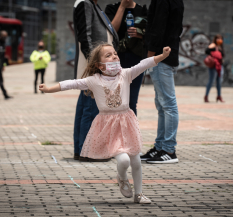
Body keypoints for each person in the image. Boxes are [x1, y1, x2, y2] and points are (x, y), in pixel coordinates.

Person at [39, 43, 172, 204]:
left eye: (115, 53)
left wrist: (162, 56)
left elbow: (144, 64)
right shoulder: (93, 80)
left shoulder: (125, 74)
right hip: (108, 126)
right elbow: (71, 83)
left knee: (135, 160)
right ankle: (122, 178)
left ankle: (139, 194)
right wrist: (48, 88)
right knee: (123, 160)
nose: (114, 56)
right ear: (99, 65)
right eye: (108, 55)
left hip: (127, 121)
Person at [73, 0, 119, 161]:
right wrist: (96, 67)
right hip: (93, 67)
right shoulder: (85, 3)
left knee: (85, 107)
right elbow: (85, 37)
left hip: (93, 67)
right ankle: (89, 151)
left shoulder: (92, 4)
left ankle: (81, 149)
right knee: (91, 109)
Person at [140, 0, 184, 164]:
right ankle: (160, 147)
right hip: (168, 56)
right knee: (162, 104)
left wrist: (150, 57)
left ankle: (168, 150)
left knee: (167, 103)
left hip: (160, 57)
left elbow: (157, 27)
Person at [105, 0, 148, 115]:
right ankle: (114, 130)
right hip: (115, 59)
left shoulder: (142, 10)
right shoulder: (111, 8)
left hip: (136, 59)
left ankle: (131, 131)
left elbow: (151, 34)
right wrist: (122, 7)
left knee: (132, 100)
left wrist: (139, 34)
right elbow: (111, 30)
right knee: (113, 99)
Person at [204, 34, 225, 103]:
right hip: (213, 66)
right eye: (218, 38)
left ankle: (219, 96)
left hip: (220, 66)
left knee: (219, 82)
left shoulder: (220, 47)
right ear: (215, 39)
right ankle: (206, 96)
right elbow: (206, 51)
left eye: (220, 38)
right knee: (211, 81)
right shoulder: (213, 45)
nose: (219, 40)